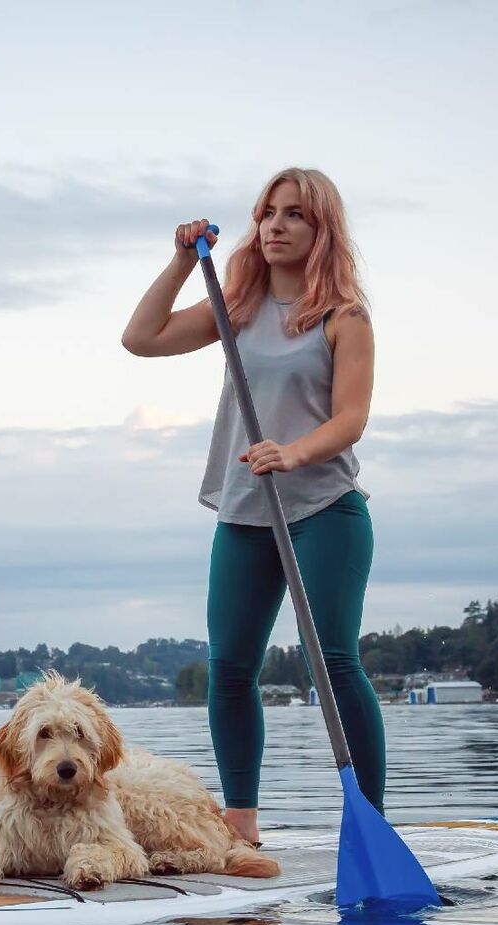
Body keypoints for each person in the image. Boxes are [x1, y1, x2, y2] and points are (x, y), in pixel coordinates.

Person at [120, 167, 386, 846]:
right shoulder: (235, 307)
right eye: (267, 212)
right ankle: (241, 821)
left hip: (324, 509)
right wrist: (183, 260)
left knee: (333, 662)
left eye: (294, 214)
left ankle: (369, 825)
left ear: (321, 228)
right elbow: (140, 337)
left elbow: (350, 419)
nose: (275, 225)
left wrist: (293, 452)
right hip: (245, 514)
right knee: (231, 667)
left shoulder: (344, 318)